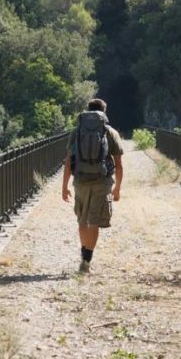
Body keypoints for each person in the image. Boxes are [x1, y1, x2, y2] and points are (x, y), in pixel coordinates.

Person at [62, 98, 123, 274]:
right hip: (102, 182)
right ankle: (87, 260)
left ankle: (83, 254)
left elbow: (68, 162)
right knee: (94, 220)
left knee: (82, 219)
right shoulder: (109, 132)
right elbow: (118, 164)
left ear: (87, 110)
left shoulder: (76, 132)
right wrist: (117, 188)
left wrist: (64, 187)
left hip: (80, 180)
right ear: (104, 112)